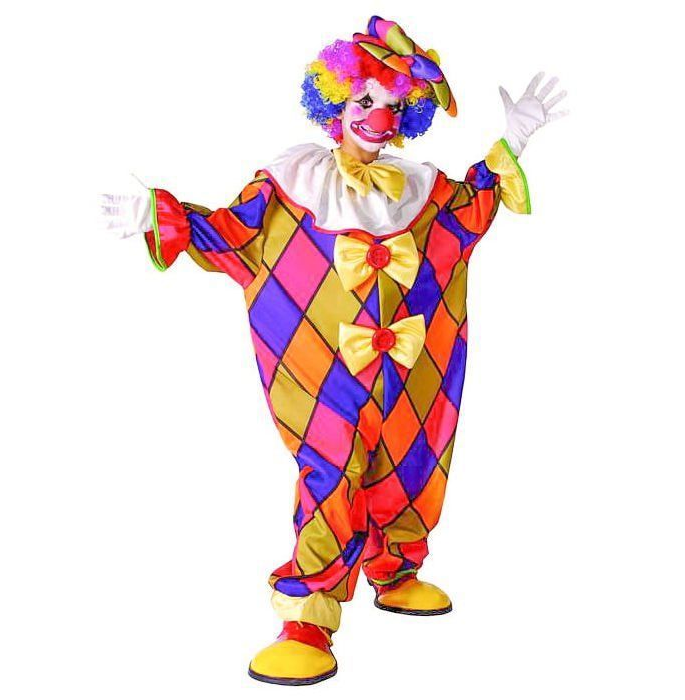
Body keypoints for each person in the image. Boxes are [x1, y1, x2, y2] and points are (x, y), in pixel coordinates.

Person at [102, 16, 567, 686]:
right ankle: (307, 621)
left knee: (414, 458)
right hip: (323, 372)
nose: (378, 118)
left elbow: (468, 209)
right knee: (331, 474)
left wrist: (512, 141)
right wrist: (164, 215)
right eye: (365, 100)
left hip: (408, 370)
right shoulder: (292, 181)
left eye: (393, 106)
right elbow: (235, 233)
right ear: (335, 102)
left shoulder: (419, 186)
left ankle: (394, 568)